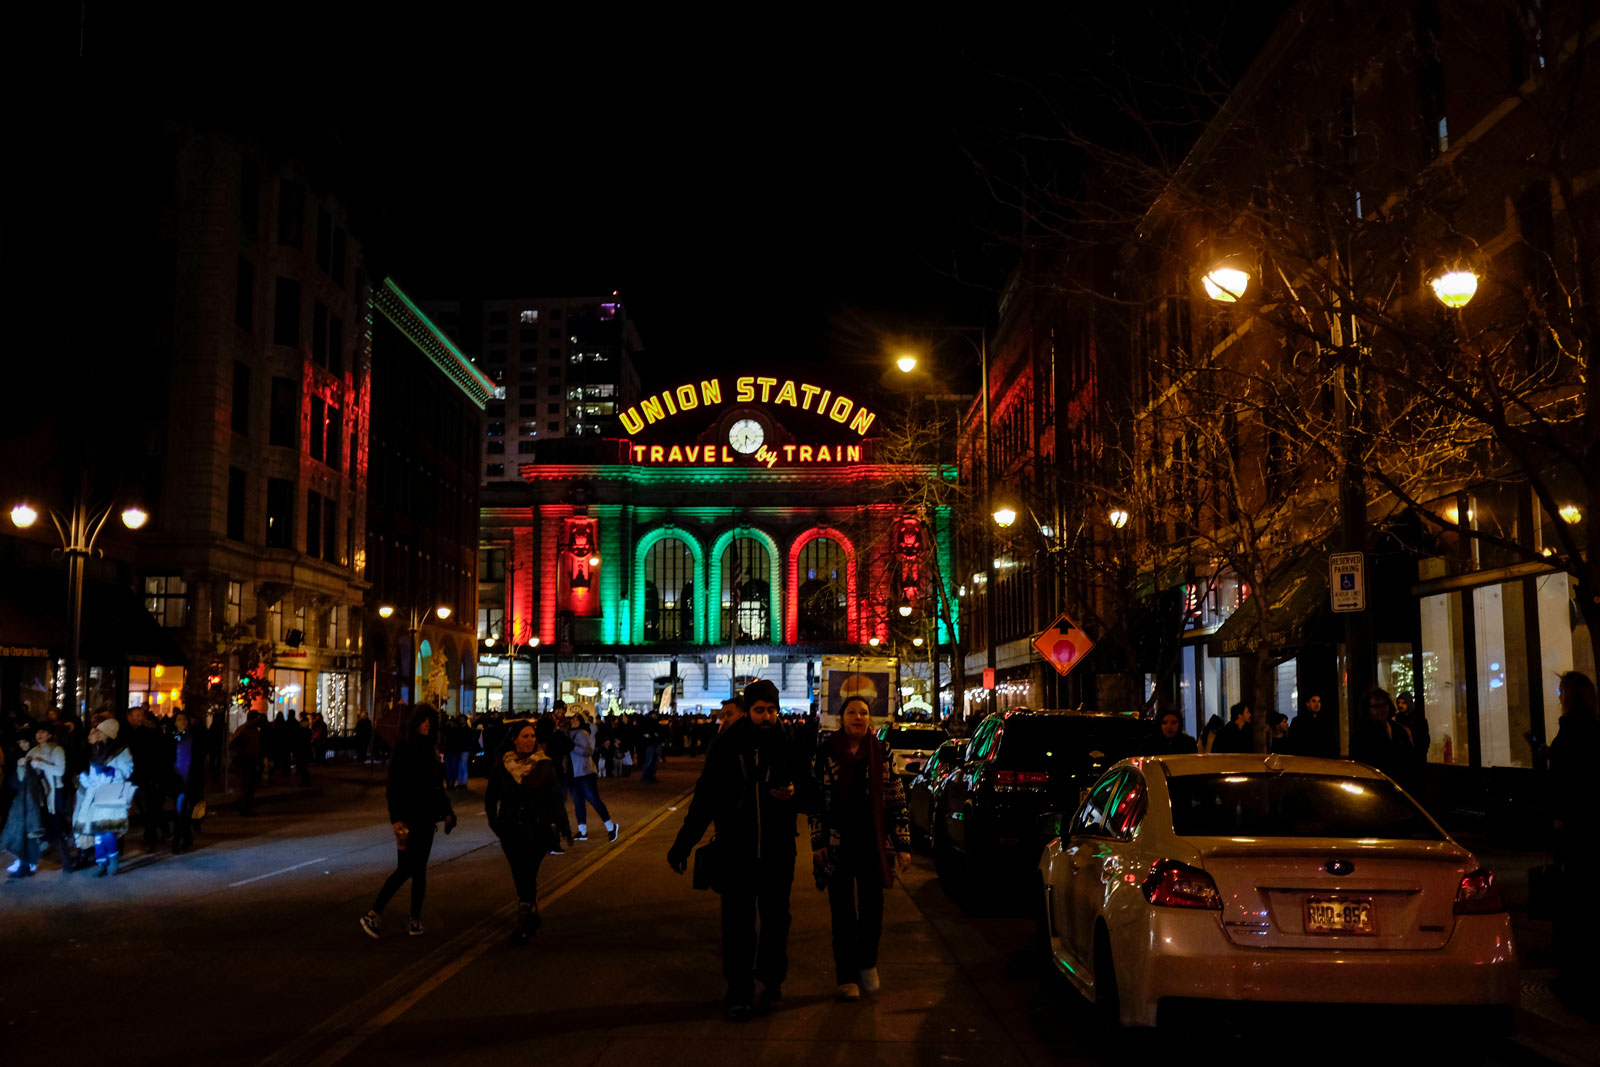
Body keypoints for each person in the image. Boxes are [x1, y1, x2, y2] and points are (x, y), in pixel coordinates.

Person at [666, 689, 794, 1022]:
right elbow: (704, 798)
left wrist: (795, 792)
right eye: (759, 709)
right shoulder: (726, 746)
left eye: (771, 710)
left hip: (778, 850)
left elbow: (811, 789)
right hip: (737, 850)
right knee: (737, 925)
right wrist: (684, 843)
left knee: (777, 920)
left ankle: (770, 975)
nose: (766, 716)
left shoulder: (788, 741)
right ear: (748, 711)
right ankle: (739, 991)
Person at [809, 695, 911, 1003]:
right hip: (838, 841)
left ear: (870, 719)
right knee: (842, 914)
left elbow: (896, 799)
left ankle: (867, 963)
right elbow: (816, 801)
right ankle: (846, 976)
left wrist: (902, 844)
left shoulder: (882, 751)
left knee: (872, 910)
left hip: (873, 842)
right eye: (852, 712)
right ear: (841, 718)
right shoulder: (826, 751)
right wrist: (817, 842)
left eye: (863, 712)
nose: (858, 717)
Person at [1529, 671, 1600, 1013]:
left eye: (1561, 691)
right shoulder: (1592, 727)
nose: (1558, 696)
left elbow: (1564, 777)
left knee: (1572, 894)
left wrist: (1557, 816)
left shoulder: (1572, 728)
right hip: (1587, 825)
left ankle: (1573, 972)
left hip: (1573, 827)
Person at [360, 706, 456, 939]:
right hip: (407, 819)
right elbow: (393, 787)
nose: (427, 725)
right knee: (405, 869)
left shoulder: (431, 751)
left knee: (420, 871)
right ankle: (373, 913)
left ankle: (414, 918)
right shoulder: (404, 749)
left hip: (426, 819)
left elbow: (436, 787)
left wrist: (447, 812)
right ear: (414, 723)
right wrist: (396, 819)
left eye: (430, 721)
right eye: (423, 721)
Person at [484, 718, 573, 945]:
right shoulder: (501, 766)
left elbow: (555, 799)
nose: (530, 740)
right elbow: (490, 799)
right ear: (514, 740)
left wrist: (564, 828)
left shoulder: (543, 765)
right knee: (520, 875)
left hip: (537, 831)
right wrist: (496, 825)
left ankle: (524, 923)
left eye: (532, 736)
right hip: (510, 830)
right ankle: (531, 913)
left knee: (528, 875)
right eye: (525, 736)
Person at [3, 724, 72, 877]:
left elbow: (60, 771)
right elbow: (24, 777)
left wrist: (40, 764)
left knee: (56, 827)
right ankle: (26, 864)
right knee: (33, 828)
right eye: (37, 732)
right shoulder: (33, 751)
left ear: (49, 735)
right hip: (39, 795)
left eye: (43, 731)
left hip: (55, 793)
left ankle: (67, 861)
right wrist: (21, 765)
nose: (39, 735)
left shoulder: (57, 749)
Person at [72, 719, 136, 876]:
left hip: (113, 792)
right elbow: (94, 775)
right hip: (96, 794)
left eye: (100, 731)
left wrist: (112, 772)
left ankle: (113, 859)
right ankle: (101, 862)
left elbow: (127, 770)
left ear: (108, 733)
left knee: (108, 830)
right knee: (98, 831)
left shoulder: (121, 750)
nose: (97, 733)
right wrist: (86, 779)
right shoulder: (96, 749)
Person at [1351, 688, 1420, 789]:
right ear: (1367, 710)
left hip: (1403, 789)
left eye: (1384, 705)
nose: (1381, 709)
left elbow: (1412, 761)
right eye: (1376, 706)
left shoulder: (1400, 731)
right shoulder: (1361, 736)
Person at [566, 708, 618, 843]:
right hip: (575, 774)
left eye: (576, 719)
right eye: (572, 719)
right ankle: (582, 831)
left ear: (582, 722)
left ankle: (611, 827)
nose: (573, 721)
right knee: (578, 802)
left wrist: (573, 747)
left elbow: (589, 751)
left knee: (593, 799)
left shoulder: (582, 733)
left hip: (585, 772)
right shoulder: (571, 733)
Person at [126, 705, 172, 849]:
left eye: (141, 715)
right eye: (137, 715)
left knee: (149, 809)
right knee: (149, 808)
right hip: (139, 775)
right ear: (129, 717)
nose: (140, 718)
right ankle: (161, 830)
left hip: (147, 775)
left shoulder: (146, 732)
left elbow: (154, 753)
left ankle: (151, 838)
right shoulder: (130, 732)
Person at [170, 711, 206, 853]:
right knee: (181, 812)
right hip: (177, 780)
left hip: (190, 780)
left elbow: (199, 759)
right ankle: (183, 840)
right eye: (179, 719)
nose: (183, 722)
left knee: (184, 812)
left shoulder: (193, 738)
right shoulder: (172, 739)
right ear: (175, 722)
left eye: (185, 719)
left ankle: (180, 841)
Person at [228, 712, 263, 815]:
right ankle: (243, 808)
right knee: (246, 785)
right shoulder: (244, 729)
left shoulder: (255, 730)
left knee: (250, 785)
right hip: (245, 760)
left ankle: (245, 806)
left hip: (252, 760)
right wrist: (240, 754)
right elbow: (232, 744)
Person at [1285, 693, 1338, 757]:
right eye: (1313, 701)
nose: (1317, 704)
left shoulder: (1326, 722)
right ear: (1307, 703)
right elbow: (1292, 743)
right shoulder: (1298, 721)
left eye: (1319, 701)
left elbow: (1332, 742)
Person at [1393, 691, 1429, 761]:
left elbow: (1424, 740)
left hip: (1416, 757)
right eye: (1399, 703)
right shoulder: (1397, 718)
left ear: (1409, 704)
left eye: (1403, 703)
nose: (1400, 705)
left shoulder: (1418, 719)